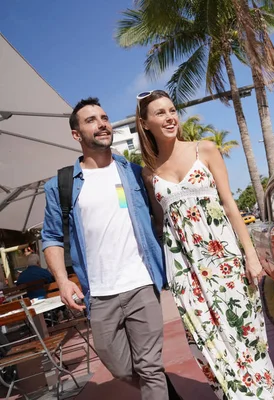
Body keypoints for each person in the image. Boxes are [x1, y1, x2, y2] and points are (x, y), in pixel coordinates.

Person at [135, 90, 274, 399]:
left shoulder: (206, 150)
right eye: (159, 113)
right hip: (186, 275)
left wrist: (251, 256)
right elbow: (162, 226)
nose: (170, 117)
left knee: (247, 336)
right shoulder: (149, 174)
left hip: (224, 262)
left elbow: (229, 205)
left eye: (172, 110)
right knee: (208, 344)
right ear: (145, 123)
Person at [41, 97, 181, 400]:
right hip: (100, 293)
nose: (102, 123)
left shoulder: (134, 172)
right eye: (91, 120)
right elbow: (51, 238)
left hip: (142, 283)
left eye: (104, 117)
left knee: (150, 366)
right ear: (76, 135)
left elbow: (160, 219)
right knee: (120, 367)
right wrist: (63, 281)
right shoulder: (61, 185)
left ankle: (156, 386)